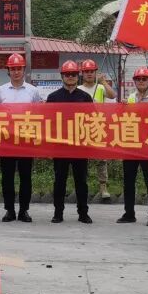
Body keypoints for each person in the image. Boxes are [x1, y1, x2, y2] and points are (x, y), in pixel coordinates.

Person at [0, 53, 42, 223]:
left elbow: (38, 114)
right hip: (7, 140)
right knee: (7, 177)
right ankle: (9, 210)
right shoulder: (0, 91)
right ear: (8, 70)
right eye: (12, 69)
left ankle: (24, 210)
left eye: (18, 69)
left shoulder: (33, 91)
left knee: (25, 177)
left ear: (23, 70)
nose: (16, 72)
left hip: (26, 139)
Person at [46, 61, 93, 224]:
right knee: (59, 181)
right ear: (62, 76)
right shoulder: (53, 97)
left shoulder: (85, 97)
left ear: (77, 76)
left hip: (80, 147)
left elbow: (92, 121)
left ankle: (83, 213)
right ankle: (58, 213)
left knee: (81, 182)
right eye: (67, 74)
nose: (70, 77)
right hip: (60, 147)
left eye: (73, 74)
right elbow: (48, 122)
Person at [119, 67, 148, 225]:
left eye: (144, 79)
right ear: (135, 82)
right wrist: (123, 108)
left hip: (147, 146)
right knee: (128, 181)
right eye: (138, 79)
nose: (141, 82)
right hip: (130, 145)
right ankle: (129, 213)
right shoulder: (130, 98)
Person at [78, 58, 117, 201]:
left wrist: (104, 82)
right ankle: (82, 184)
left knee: (101, 158)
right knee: (81, 159)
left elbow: (112, 95)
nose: (89, 74)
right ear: (82, 73)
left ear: (95, 73)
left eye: (92, 71)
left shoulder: (100, 88)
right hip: (82, 127)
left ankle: (103, 186)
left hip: (97, 126)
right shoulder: (78, 89)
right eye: (86, 71)